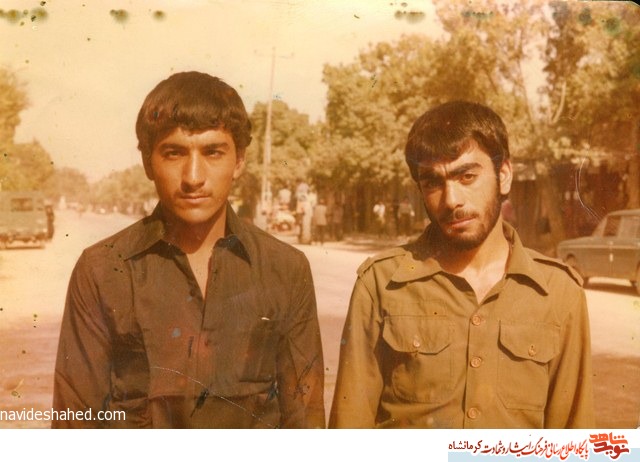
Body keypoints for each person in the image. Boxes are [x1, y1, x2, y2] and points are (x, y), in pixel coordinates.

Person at [53, 71, 325, 429]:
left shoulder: (286, 268)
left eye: (213, 152)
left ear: (239, 161)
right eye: (174, 153)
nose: (193, 177)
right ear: (148, 162)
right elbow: (75, 423)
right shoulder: (101, 270)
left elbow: (304, 419)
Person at [329, 101, 594, 429]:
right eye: (432, 182)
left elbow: (574, 438)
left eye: (467, 176)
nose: (451, 199)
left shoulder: (559, 293)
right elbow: (349, 432)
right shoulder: (380, 284)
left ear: (504, 176)